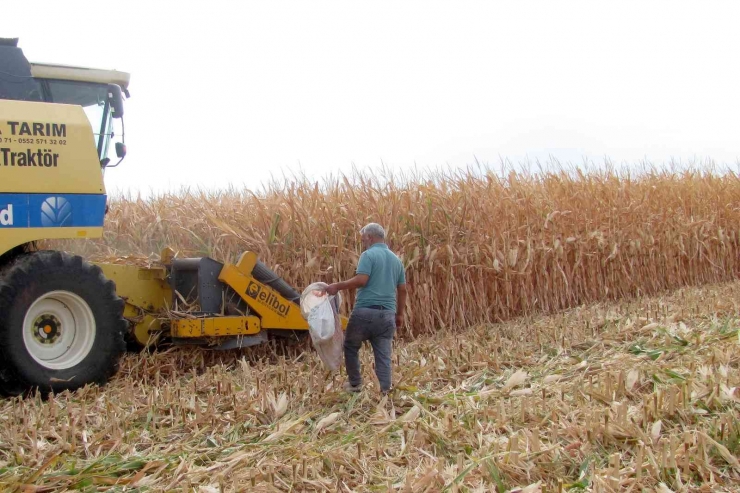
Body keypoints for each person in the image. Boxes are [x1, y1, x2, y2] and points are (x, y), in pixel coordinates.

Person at [325, 223, 407, 394]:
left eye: (363, 239)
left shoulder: (368, 255)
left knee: (350, 345)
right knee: (383, 353)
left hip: (365, 312)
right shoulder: (396, 260)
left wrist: (337, 286)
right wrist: (399, 315)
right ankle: (384, 389)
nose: (363, 242)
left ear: (370, 237)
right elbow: (402, 289)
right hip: (387, 315)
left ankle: (355, 384)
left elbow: (362, 280)